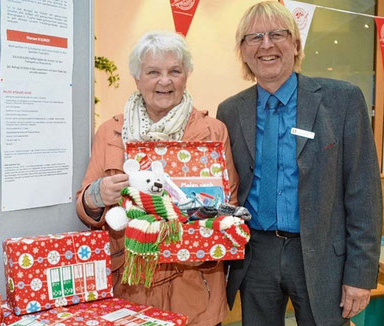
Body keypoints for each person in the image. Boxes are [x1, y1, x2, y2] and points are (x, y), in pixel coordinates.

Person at [216, 2, 382, 326]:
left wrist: (361, 274)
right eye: (254, 37)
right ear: (243, 51)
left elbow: (364, 195)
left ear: (295, 44)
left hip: (321, 257)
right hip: (256, 255)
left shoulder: (343, 101)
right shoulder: (230, 112)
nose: (267, 45)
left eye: (278, 34)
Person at [76, 30, 239, 326]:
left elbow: (229, 204)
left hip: (195, 288)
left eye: (174, 71)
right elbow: (85, 206)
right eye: (153, 72)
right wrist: (96, 196)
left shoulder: (213, 132)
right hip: (129, 286)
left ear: (186, 76)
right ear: (137, 79)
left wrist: (204, 219)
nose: (165, 81)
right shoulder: (110, 133)